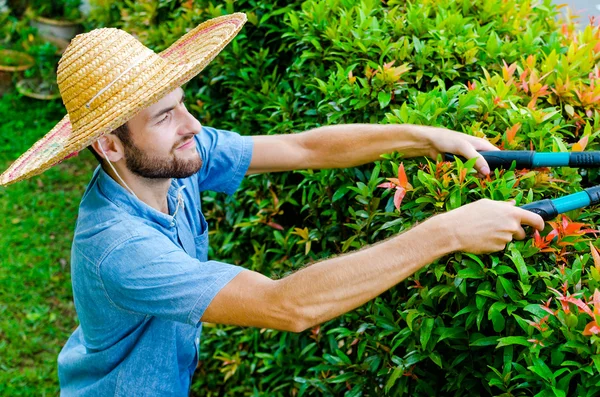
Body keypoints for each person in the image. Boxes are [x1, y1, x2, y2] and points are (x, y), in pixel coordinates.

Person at [0, 12, 545, 397]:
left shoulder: (172, 160)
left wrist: (427, 137)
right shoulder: (120, 247)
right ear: (111, 145)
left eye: (181, 105)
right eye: (164, 117)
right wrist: (448, 231)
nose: (192, 126)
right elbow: (287, 306)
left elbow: (304, 147)